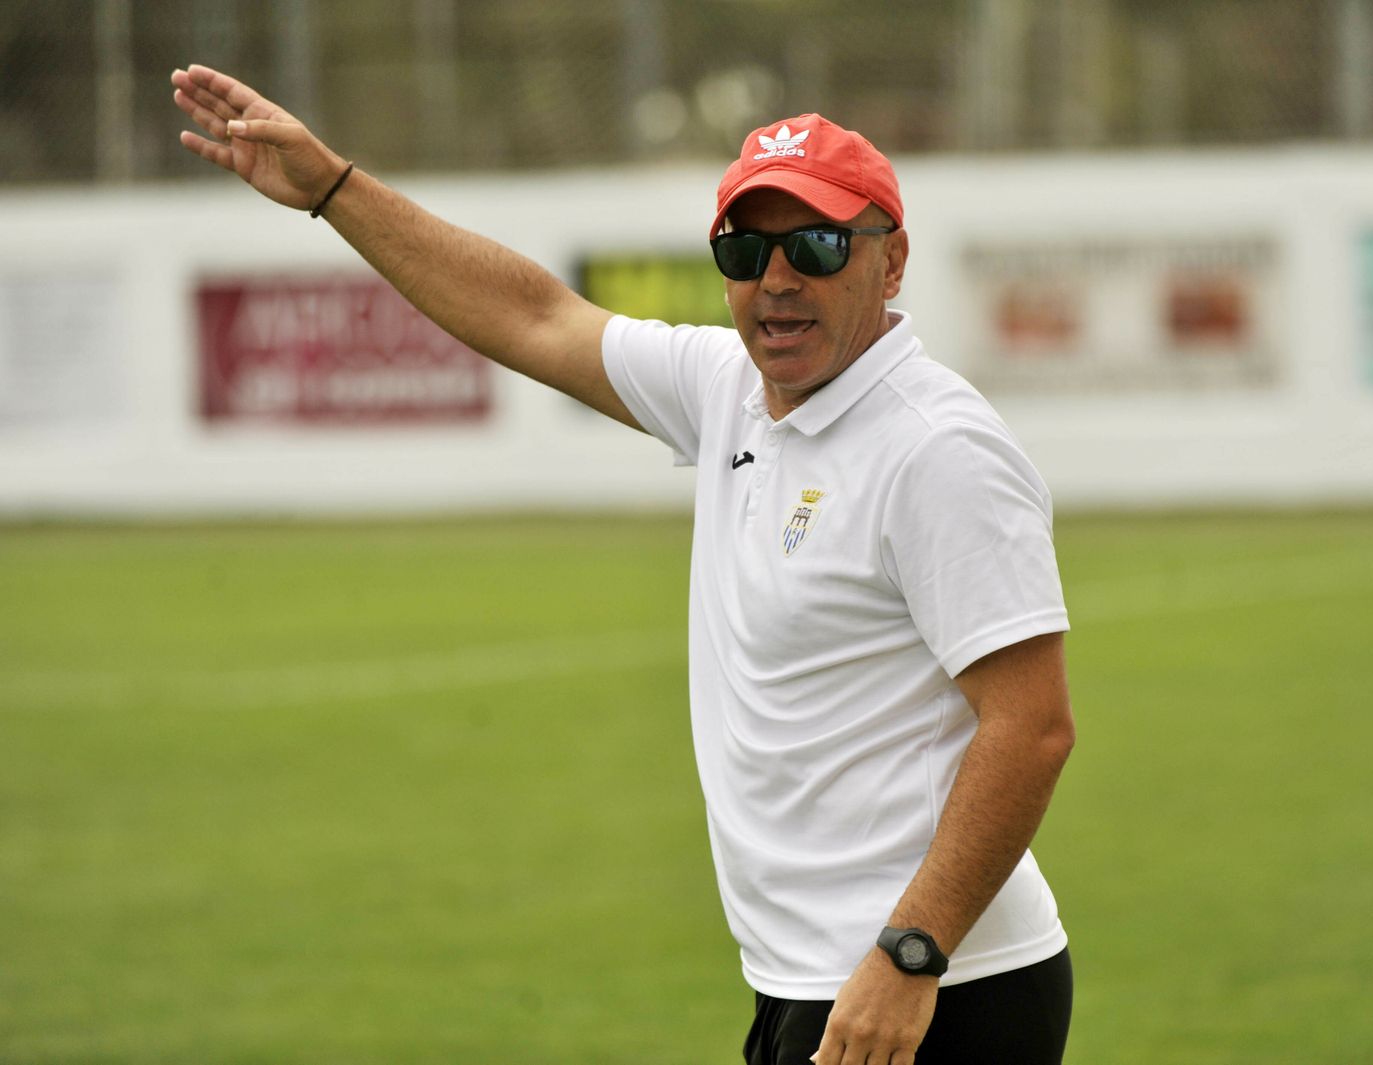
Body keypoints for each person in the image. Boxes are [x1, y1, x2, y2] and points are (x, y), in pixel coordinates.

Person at [172, 63, 1078, 1065]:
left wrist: (910, 956)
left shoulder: (936, 448)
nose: (776, 278)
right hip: (810, 976)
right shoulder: (730, 388)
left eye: (816, 245)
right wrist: (337, 191)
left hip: (931, 984)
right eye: (745, 247)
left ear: (890, 261)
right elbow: (536, 318)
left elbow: (1031, 728)